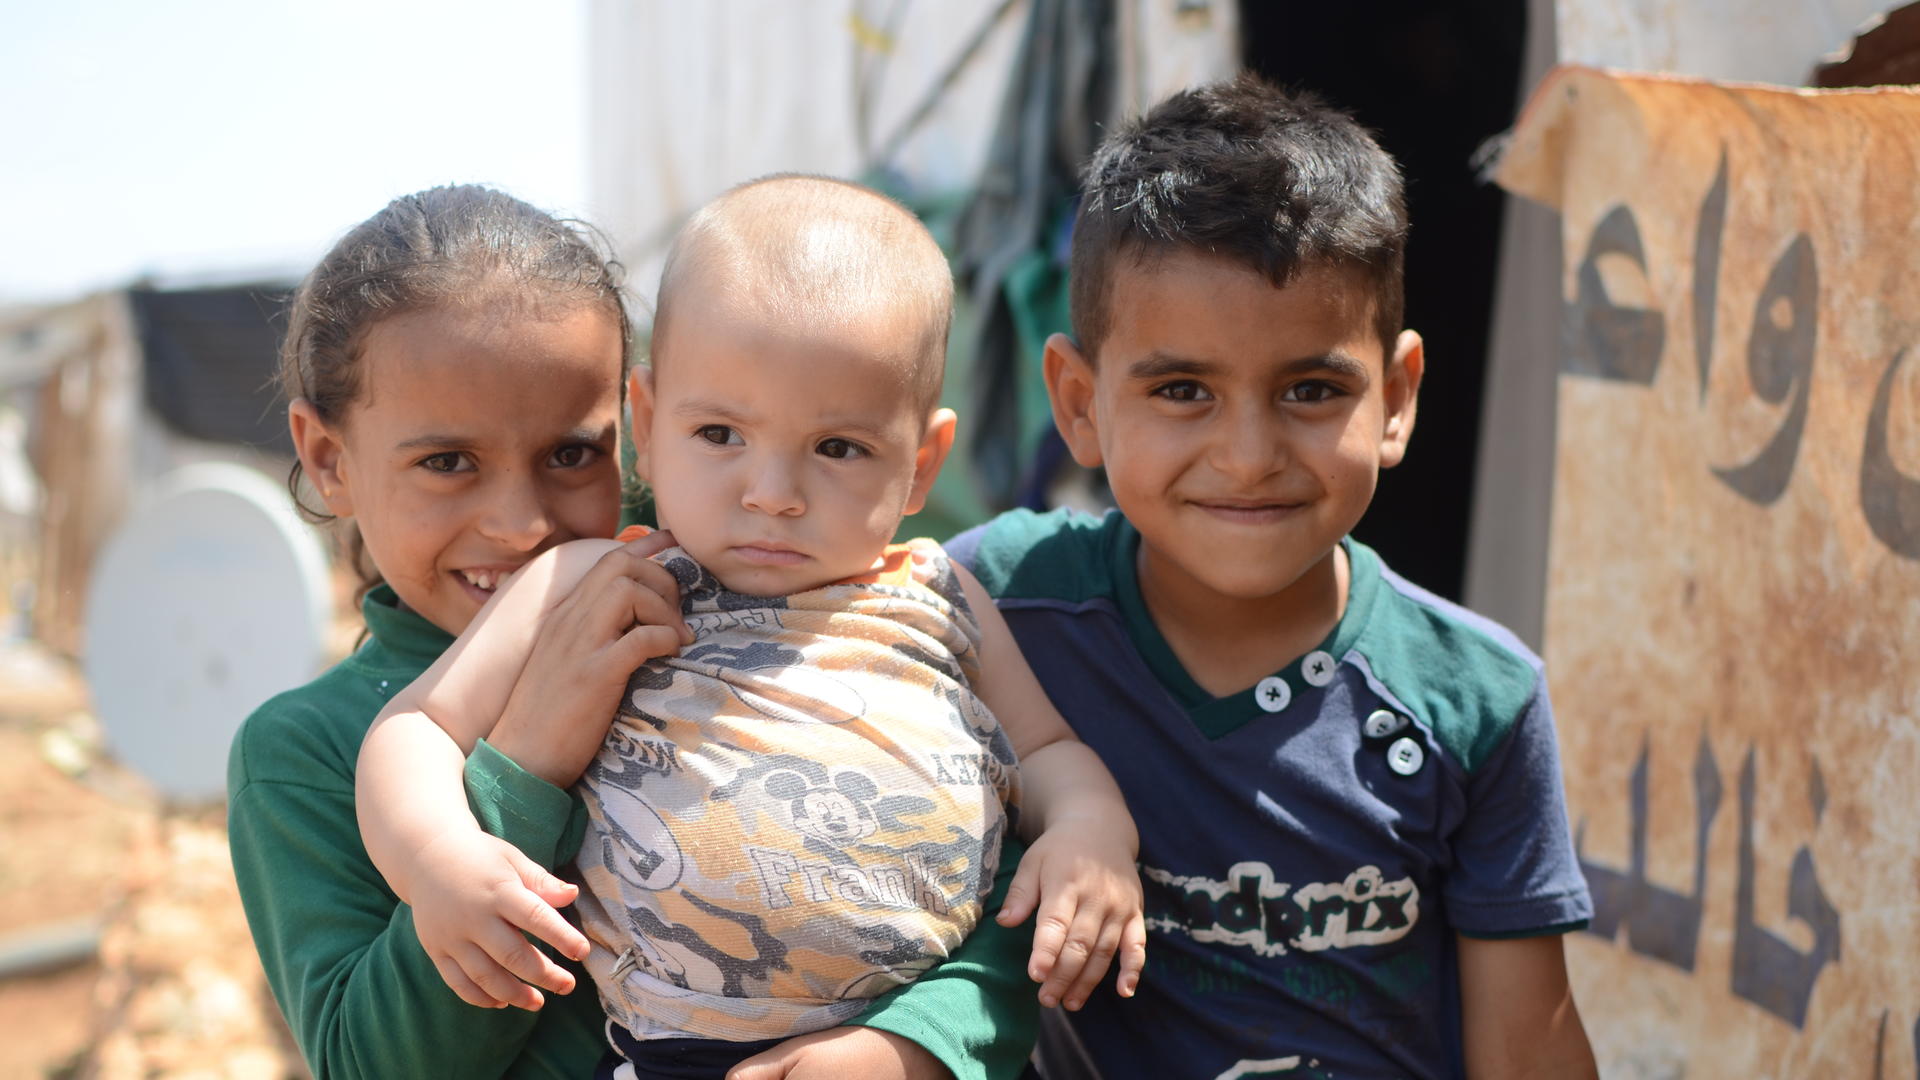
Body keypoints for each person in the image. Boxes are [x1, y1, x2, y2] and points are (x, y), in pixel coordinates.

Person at [227, 184, 1066, 1080]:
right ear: (328, 458)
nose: (521, 524)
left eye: (572, 454)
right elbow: (373, 1066)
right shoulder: (309, 751)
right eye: (447, 462)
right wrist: (524, 768)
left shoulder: (747, 603)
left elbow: (973, 851)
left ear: (633, 431)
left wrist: (915, 1042)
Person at [946, 76, 1599, 1080]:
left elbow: (1527, 1049)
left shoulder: (1477, 698)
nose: (1248, 457)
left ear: (1396, 398)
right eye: (1182, 390)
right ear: (1079, 403)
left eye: (1311, 389)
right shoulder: (997, 604)